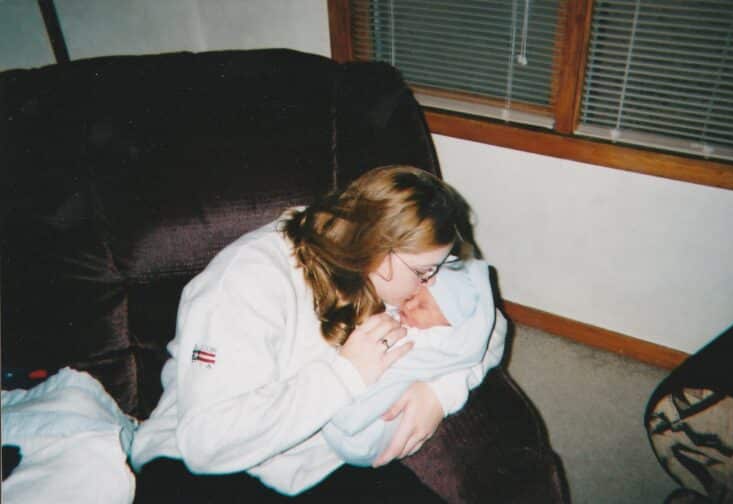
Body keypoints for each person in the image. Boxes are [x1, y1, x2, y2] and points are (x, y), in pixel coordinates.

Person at [130, 165, 506, 502]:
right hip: (204, 467)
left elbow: (487, 322)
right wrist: (345, 375)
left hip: (314, 461)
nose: (433, 283)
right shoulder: (246, 282)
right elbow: (206, 443)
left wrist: (441, 392)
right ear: (381, 251)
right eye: (425, 272)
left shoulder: (397, 263)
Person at [322, 257, 496, 467]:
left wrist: (441, 393)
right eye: (411, 296)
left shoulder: (442, 338)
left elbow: (483, 331)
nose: (410, 305)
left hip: (376, 428)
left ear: (448, 322)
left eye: (422, 306)